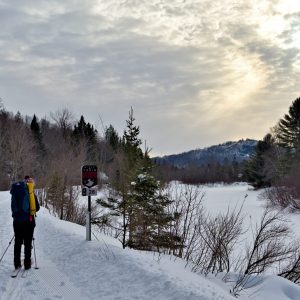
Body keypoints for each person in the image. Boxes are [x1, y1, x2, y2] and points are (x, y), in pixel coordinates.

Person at [10, 176, 40, 270]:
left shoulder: (15, 191)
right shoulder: (30, 193)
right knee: (27, 242)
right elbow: (37, 208)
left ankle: (17, 263)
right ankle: (27, 264)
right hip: (29, 221)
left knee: (17, 242)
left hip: (17, 221)